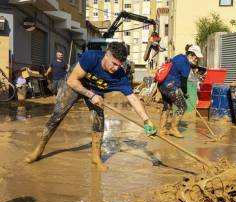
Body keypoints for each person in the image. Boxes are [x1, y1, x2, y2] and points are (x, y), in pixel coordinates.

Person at [24, 42, 157, 171]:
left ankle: (95, 158)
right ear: (107, 55)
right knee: (57, 116)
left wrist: (146, 120)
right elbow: (71, 80)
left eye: (119, 65)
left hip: (96, 90)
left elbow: (133, 98)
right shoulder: (91, 57)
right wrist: (90, 95)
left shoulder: (120, 76)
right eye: (114, 63)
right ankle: (39, 149)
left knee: (99, 120)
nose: (115, 68)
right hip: (75, 83)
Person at [158, 44, 203, 138]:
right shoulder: (186, 65)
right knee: (183, 106)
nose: (197, 60)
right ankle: (173, 129)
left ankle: (161, 129)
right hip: (170, 86)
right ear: (190, 55)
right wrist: (186, 93)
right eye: (196, 58)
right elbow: (183, 83)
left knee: (167, 106)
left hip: (162, 84)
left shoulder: (179, 56)